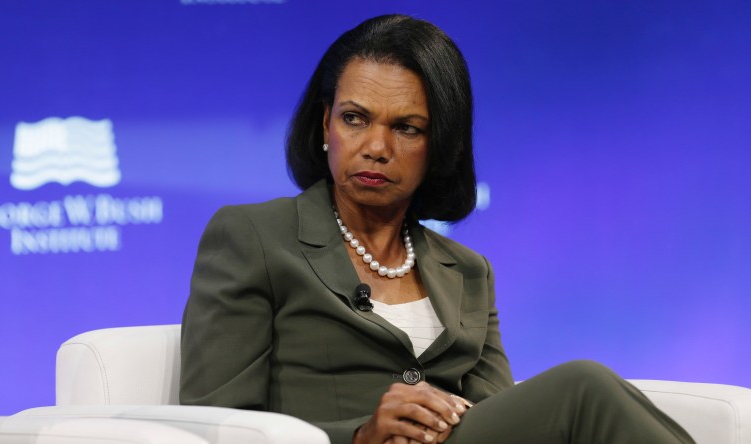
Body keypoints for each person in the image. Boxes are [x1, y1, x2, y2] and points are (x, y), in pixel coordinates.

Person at [180, 14, 695, 444]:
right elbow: (214, 425)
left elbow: (501, 414)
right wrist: (359, 435)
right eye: (355, 118)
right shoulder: (254, 236)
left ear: (440, 145)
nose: (376, 146)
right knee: (583, 387)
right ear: (324, 126)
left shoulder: (468, 272)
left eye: (406, 127)